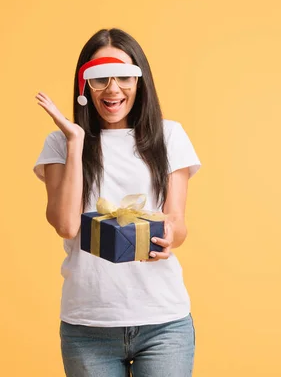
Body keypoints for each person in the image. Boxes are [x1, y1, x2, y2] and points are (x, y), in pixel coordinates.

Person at [33, 28, 201, 377]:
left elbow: (178, 223)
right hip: (88, 325)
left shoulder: (170, 136)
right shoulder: (59, 143)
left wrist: (169, 237)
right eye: (99, 78)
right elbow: (66, 225)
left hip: (163, 321)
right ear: (84, 86)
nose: (113, 88)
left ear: (140, 81)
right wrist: (76, 142)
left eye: (124, 76)